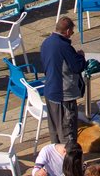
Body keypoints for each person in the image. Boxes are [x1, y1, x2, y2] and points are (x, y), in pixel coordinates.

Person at [39, 17, 87, 146]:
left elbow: (44, 65)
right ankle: (69, 163)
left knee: (54, 131)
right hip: (64, 95)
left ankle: (57, 161)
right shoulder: (65, 46)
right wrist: (81, 56)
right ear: (67, 31)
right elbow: (78, 67)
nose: (72, 34)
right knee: (68, 132)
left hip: (49, 91)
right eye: (72, 31)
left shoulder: (46, 43)